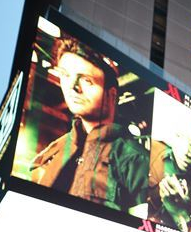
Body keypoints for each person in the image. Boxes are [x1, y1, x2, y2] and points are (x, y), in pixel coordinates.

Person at [29, 36, 150, 212]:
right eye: (66, 75)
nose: (72, 86)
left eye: (86, 79)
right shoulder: (51, 153)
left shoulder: (134, 160)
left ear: (112, 94)